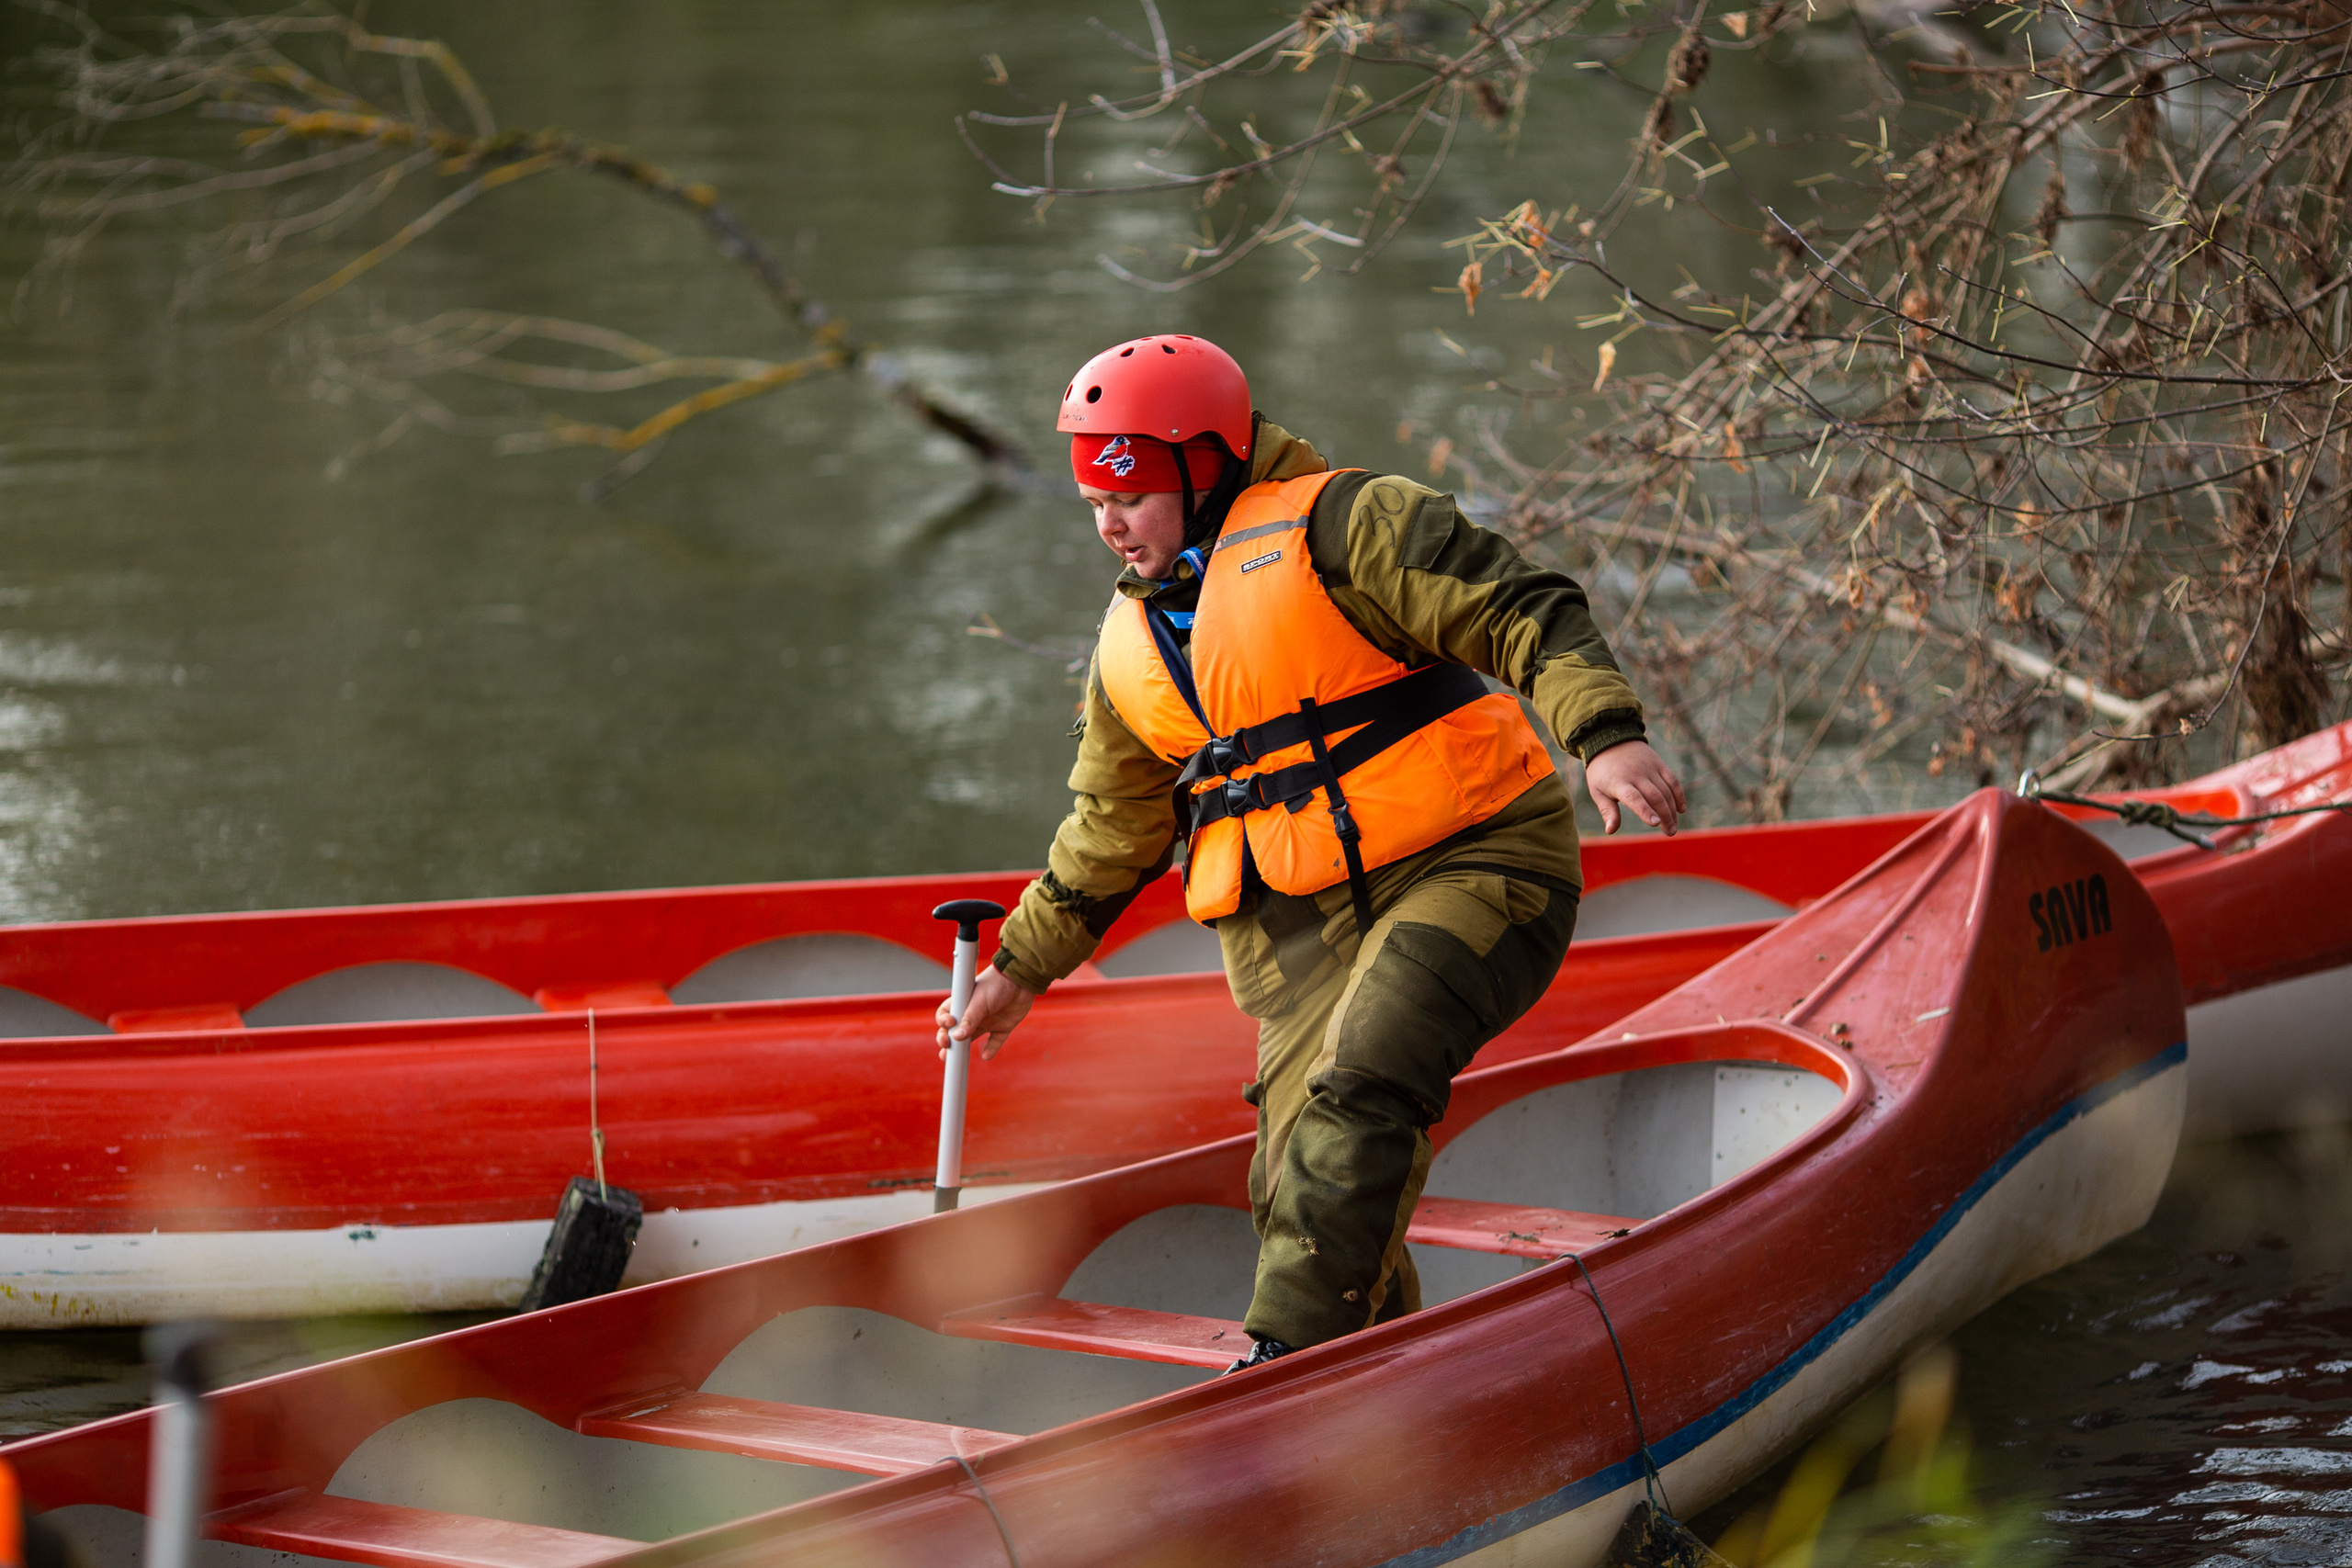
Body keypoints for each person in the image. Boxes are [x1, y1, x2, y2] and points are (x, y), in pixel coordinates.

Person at [936, 333, 1684, 1371]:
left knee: (1362, 1077)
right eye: (1095, 502)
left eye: (1132, 497)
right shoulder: (1126, 651)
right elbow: (1112, 827)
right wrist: (1021, 966)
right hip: (1301, 938)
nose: (1110, 525)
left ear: (1206, 466)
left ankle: (1284, 1367)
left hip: (1473, 864)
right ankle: (1390, 1394)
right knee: (1294, 1184)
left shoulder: (1350, 524)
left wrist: (1604, 736)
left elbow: (1518, 607)